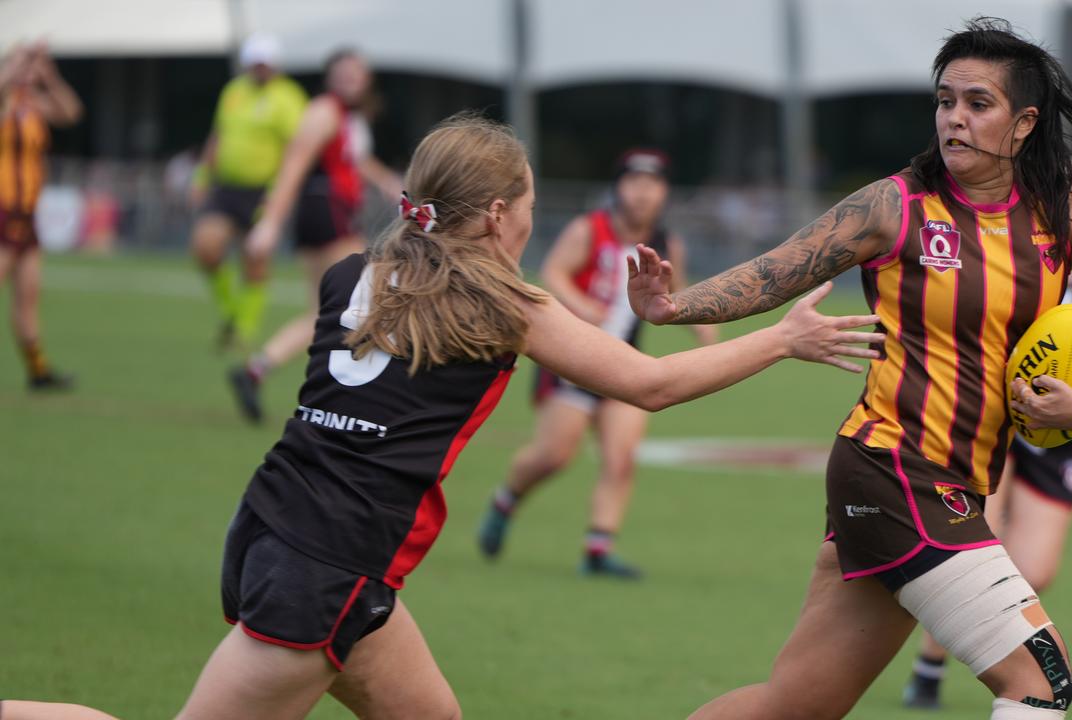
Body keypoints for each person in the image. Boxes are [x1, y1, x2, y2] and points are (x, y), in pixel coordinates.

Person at [0, 114, 879, 720]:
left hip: (275, 529)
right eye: (529, 207)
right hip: (328, 564)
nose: (534, 222)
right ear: (498, 214)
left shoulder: (352, 271)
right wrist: (781, 339)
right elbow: (646, 387)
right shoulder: (504, 302)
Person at [629, 18, 1072, 719]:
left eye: (978, 104)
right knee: (1040, 682)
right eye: (945, 100)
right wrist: (671, 306)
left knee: (794, 707)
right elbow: (773, 273)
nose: (955, 117)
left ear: (1024, 124)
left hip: (953, 481)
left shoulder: (1066, 214)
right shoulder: (894, 205)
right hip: (894, 470)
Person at [901, 159, 1072, 710]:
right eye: (1071, 190)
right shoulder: (1016, 257)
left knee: (1037, 565)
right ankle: (931, 666)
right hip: (992, 422)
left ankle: (959, 649)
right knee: (978, 548)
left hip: (1060, 435)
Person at [477, 149, 716, 578]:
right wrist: (582, 305)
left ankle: (598, 550)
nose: (643, 193)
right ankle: (505, 499)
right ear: (617, 187)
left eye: (653, 185)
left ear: (664, 193)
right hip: (573, 354)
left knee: (620, 456)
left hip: (622, 360)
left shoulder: (666, 243)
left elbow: (675, 290)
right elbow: (553, 272)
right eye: (634, 183)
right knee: (553, 455)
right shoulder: (590, 229)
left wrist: (699, 323)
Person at [229, 48, 400, 423]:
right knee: (367, 297)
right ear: (330, 78)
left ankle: (256, 370)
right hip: (325, 212)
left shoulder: (347, 116)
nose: (350, 80)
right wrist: (270, 221)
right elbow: (294, 164)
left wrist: (388, 182)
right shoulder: (324, 112)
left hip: (330, 211)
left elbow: (356, 159)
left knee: (325, 311)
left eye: (357, 74)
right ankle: (351, 397)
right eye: (343, 74)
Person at [188, 34, 308, 351]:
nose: (260, 69)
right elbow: (218, 135)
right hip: (227, 188)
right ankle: (231, 309)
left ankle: (245, 327)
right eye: (255, 63)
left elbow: (295, 148)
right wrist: (202, 175)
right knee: (205, 248)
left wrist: (278, 193)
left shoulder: (288, 97)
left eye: (265, 63)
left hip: (263, 190)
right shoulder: (234, 91)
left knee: (254, 259)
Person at [0, 42, 81, 391]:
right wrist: (16, 63)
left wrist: (51, 76)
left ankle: (38, 370)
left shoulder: (34, 105)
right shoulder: (7, 102)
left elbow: (71, 112)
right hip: (2, 210)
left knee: (29, 292)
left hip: (27, 213)